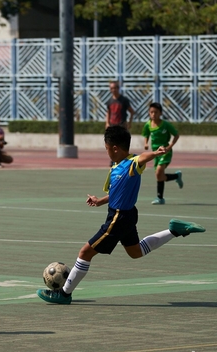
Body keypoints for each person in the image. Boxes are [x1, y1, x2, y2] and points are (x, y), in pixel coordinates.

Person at [36, 126, 205, 305]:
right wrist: (100, 201)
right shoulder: (117, 167)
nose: (106, 151)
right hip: (127, 215)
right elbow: (117, 193)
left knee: (85, 252)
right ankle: (174, 231)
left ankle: (64, 293)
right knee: (135, 252)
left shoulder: (131, 164)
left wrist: (155, 153)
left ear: (115, 148)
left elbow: (142, 158)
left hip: (119, 217)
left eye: (107, 148)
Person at [142, 102, 183, 205]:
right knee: (159, 176)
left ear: (160, 113)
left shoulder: (165, 125)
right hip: (156, 153)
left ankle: (160, 198)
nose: (153, 114)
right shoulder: (148, 124)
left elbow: (176, 135)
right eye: (151, 112)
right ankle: (176, 177)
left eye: (156, 112)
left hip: (165, 151)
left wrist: (169, 146)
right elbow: (146, 134)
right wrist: (146, 143)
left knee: (159, 171)